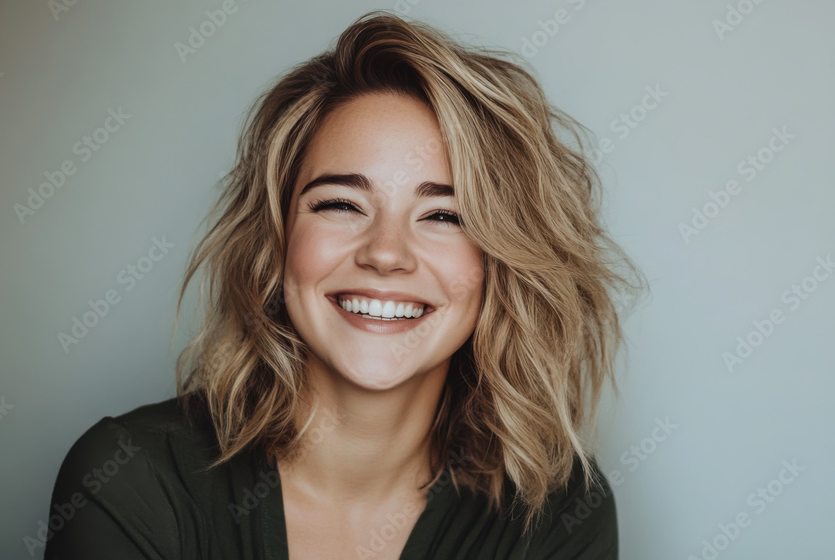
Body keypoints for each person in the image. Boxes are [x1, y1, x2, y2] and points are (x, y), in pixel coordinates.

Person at [42, 10, 641, 560]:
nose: (385, 253)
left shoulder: (558, 513)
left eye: (444, 215)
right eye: (341, 204)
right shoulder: (131, 477)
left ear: (501, 265)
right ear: (275, 240)